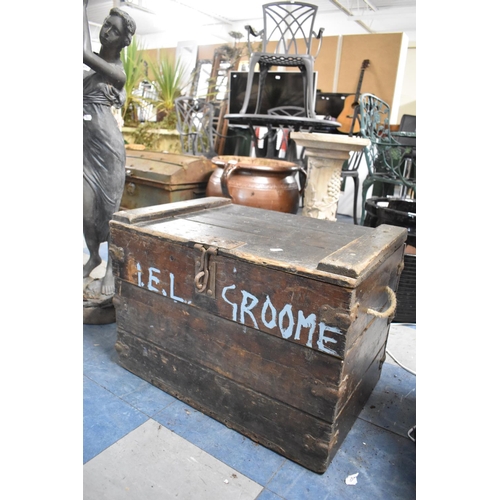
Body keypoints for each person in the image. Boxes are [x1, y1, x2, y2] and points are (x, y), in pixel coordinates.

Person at [83, 0, 136, 296]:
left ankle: (112, 273)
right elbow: (87, 51)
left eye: (113, 31)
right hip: (86, 151)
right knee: (85, 211)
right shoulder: (91, 70)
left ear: (124, 41)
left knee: (111, 215)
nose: (106, 32)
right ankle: (93, 258)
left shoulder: (116, 72)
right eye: (105, 25)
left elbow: (83, 51)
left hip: (109, 152)